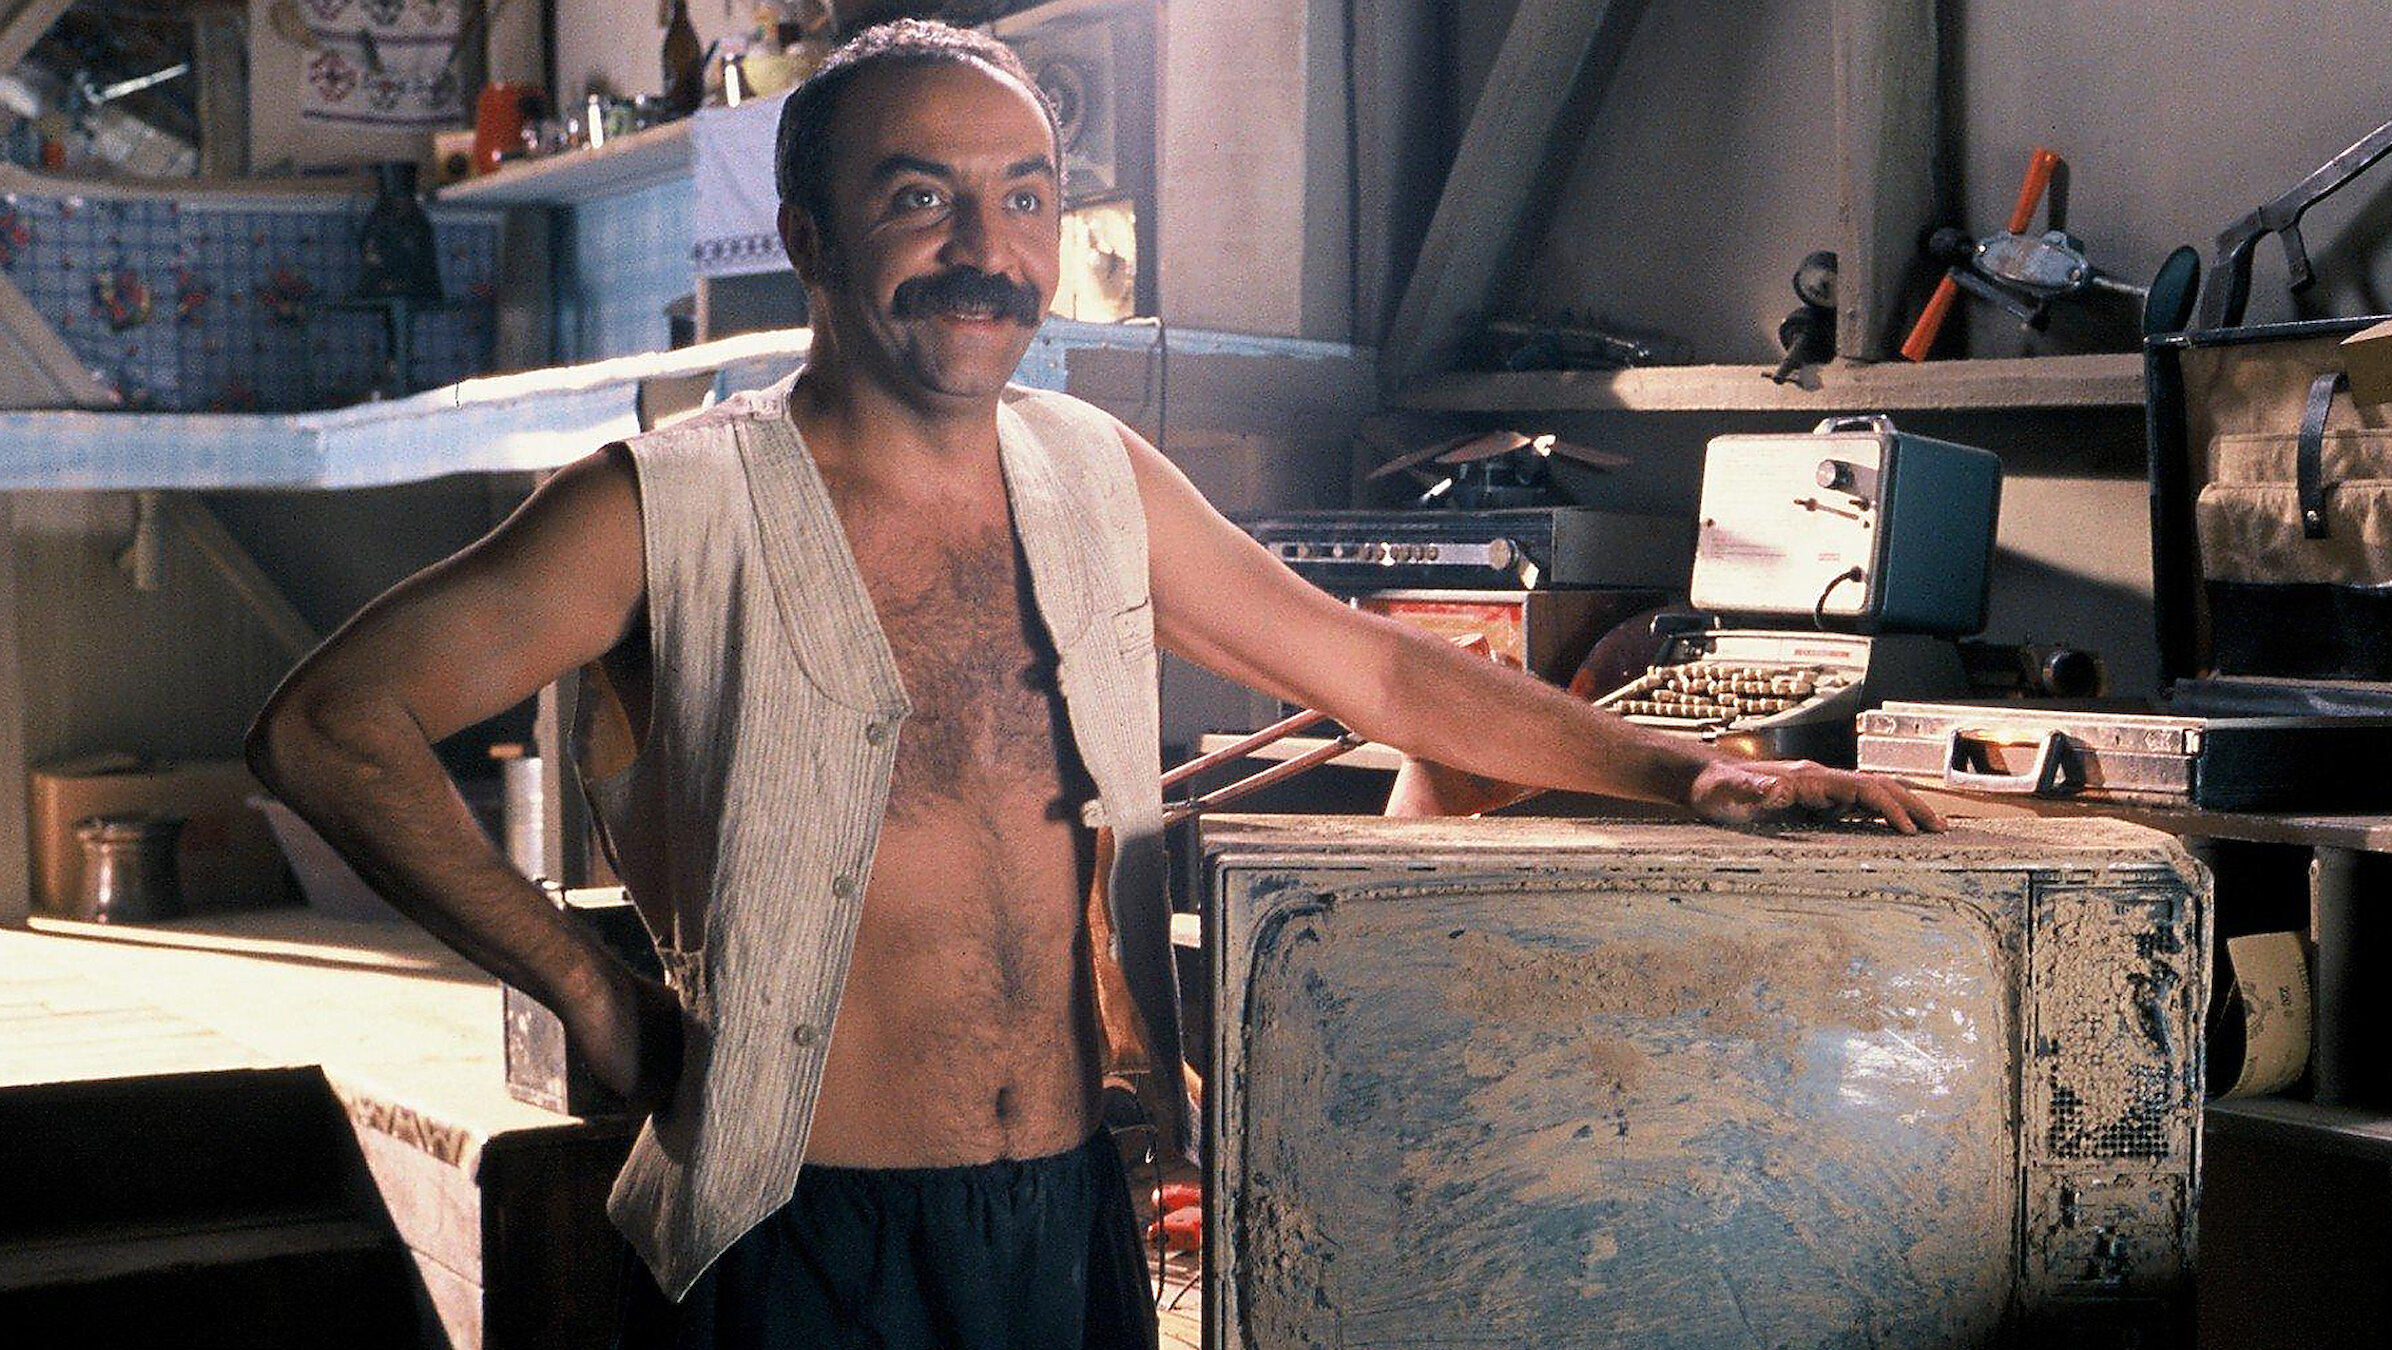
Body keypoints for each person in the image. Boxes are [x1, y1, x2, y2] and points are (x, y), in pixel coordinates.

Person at [245, 18, 1944, 1350]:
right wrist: (590, 992)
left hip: (1066, 1219)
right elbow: (327, 726)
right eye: (920, 197)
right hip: (795, 1231)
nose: (985, 247)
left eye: (1025, 197)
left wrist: (1699, 776)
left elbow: (1374, 667)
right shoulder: (665, 507)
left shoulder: (1094, 475)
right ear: (809, 238)